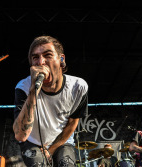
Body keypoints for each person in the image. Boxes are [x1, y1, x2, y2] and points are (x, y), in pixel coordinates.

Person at [13, 35, 89, 166]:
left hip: (61, 141)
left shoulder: (78, 87)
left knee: (66, 164)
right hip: (32, 141)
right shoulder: (23, 87)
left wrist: (51, 150)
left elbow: (72, 124)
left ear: (61, 59)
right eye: (35, 57)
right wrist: (33, 90)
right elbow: (20, 135)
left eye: (47, 55)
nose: (41, 62)